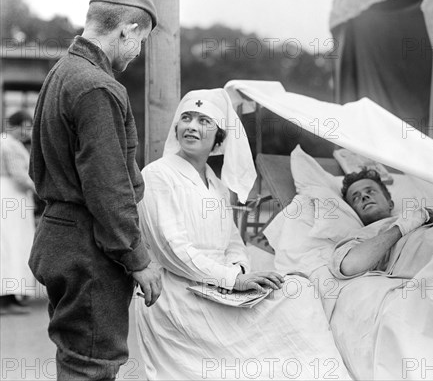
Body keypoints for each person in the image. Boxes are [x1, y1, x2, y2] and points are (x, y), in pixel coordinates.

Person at [135, 89, 351, 380]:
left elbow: (233, 243)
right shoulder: (158, 175)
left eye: (203, 121)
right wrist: (233, 280)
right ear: (177, 128)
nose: (192, 126)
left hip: (219, 286)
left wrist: (239, 270)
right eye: (186, 118)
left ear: (218, 138)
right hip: (179, 294)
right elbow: (172, 251)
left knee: (299, 292)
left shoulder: (216, 185)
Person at [28, 0, 162, 380]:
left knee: (78, 358)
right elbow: (108, 187)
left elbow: (39, 167)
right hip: (89, 250)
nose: (137, 52)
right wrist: (138, 258)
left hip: (61, 237)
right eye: (141, 41)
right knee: (91, 366)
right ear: (127, 30)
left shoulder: (62, 72)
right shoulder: (97, 86)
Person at [330, 169, 433, 279]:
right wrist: (402, 228)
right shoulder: (361, 237)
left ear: (390, 203)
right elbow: (350, 265)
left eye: (370, 191)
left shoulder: (417, 215)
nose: (364, 196)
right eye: (355, 198)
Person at [0, 111, 36, 315]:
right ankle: (6, 298)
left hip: (11, 197)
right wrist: (39, 189)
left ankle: (12, 295)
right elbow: (19, 176)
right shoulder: (9, 144)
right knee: (10, 245)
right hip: (11, 197)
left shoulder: (6, 142)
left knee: (12, 245)